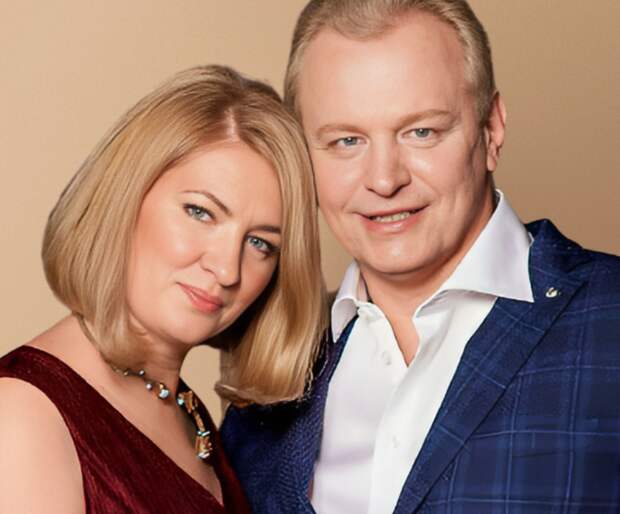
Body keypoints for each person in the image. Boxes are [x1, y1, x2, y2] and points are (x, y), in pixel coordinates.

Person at [220, 1, 620, 512]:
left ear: (492, 129)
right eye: (346, 140)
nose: (384, 179)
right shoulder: (271, 367)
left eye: (421, 132)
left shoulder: (609, 318)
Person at [0, 64, 326, 513]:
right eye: (200, 212)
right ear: (125, 196)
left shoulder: (186, 411)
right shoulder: (23, 416)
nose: (226, 269)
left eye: (260, 244)